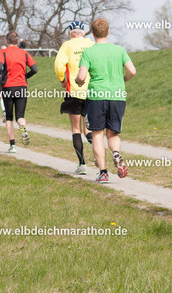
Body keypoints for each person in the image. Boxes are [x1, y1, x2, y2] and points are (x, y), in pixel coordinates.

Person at [75, 18, 136, 183]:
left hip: (97, 97)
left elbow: (81, 76)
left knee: (97, 134)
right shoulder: (119, 50)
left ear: (93, 33)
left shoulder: (88, 52)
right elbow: (132, 71)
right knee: (113, 133)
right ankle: (115, 153)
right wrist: (124, 79)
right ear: (108, 32)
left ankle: (103, 172)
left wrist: (78, 81)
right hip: (117, 96)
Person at [55, 21, 94, 174]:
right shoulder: (91, 45)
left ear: (70, 33)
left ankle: (82, 164)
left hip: (74, 91)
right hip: (91, 91)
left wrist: (62, 80)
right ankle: (98, 153)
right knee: (89, 128)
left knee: (76, 129)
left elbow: (59, 66)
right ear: (83, 33)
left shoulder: (67, 46)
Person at [0, 31, 38, 153]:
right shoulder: (24, 53)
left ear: (7, 41)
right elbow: (35, 69)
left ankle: (13, 146)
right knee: (20, 116)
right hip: (22, 87)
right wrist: (25, 77)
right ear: (18, 41)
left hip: (8, 87)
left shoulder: (3, 52)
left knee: (9, 117)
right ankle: (22, 127)